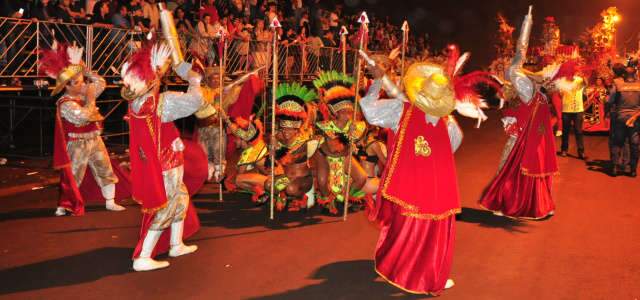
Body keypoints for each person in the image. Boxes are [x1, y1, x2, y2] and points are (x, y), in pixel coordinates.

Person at [359, 42, 490, 294]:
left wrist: (376, 82)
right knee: (432, 236)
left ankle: (404, 271)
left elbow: (369, 111)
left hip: (409, 187)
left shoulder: (402, 111)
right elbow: (452, 147)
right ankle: (427, 277)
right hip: (438, 190)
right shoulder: (448, 122)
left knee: (407, 233)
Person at [120, 43, 204, 271]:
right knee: (165, 208)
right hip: (165, 165)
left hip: (166, 160)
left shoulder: (141, 102)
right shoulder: (161, 102)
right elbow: (196, 101)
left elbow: (160, 128)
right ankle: (143, 257)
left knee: (181, 200)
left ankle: (176, 243)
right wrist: (194, 81)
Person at [479, 7, 558, 220]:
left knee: (511, 171)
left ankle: (513, 205)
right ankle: (534, 204)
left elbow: (519, 54)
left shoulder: (525, 89)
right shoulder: (528, 93)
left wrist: (527, 22)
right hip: (526, 138)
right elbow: (518, 54)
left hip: (522, 140)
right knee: (518, 172)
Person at [39, 43, 126, 216]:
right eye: (79, 82)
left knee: (105, 169)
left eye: (82, 81)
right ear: (68, 86)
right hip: (77, 144)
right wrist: (91, 99)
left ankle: (110, 202)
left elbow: (100, 82)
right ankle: (65, 205)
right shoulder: (65, 104)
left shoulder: (82, 93)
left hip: (94, 139)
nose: (84, 84)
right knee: (74, 176)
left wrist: (84, 69)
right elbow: (84, 116)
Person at [312, 71, 376, 215]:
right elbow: (332, 148)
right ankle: (328, 200)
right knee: (322, 181)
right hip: (326, 156)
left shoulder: (355, 126)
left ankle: (346, 196)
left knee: (361, 178)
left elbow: (358, 143)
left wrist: (353, 134)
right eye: (344, 112)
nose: (348, 115)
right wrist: (347, 136)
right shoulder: (325, 126)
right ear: (336, 113)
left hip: (344, 156)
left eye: (350, 111)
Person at [265, 82, 320, 211]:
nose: (286, 133)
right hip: (285, 178)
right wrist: (271, 150)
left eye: (290, 130)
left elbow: (293, 157)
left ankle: (301, 197)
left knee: (291, 188)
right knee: (268, 184)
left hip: (303, 179)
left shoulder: (304, 141)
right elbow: (270, 164)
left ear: (296, 130)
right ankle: (282, 194)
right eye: (284, 129)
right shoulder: (276, 139)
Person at [609, 63, 640, 177]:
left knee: (617, 142)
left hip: (620, 117)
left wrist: (609, 110)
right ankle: (632, 170)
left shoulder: (617, 83)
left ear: (624, 75)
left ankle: (615, 167)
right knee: (634, 144)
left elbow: (610, 100)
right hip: (635, 119)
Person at [554, 60, 587, 159]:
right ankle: (564, 149)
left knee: (578, 131)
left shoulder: (579, 80)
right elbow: (560, 94)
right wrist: (564, 89)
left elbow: (585, 83)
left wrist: (583, 76)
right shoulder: (562, 81)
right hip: (567, 110)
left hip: (578, 110)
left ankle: (581, 151)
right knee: (566, 131)